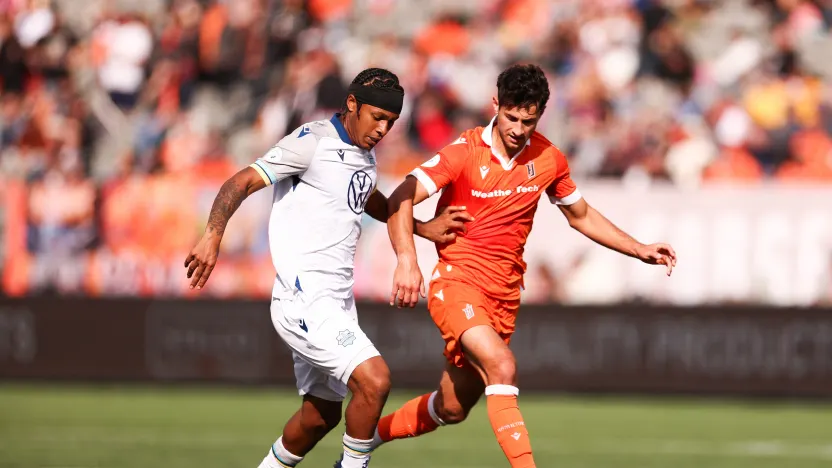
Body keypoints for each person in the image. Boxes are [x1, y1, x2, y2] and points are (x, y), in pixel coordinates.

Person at [375, 64, 678, 467]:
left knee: (451, 408)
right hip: (457, 282)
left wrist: (638, 248)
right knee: (502, 366)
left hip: (503, 296)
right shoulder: (463, 153)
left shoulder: (549, 158)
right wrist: (408, 259)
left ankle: (361, 441)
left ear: (540, 115)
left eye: (528, 121)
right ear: (496, 105)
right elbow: (400, 197)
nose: (518, 129)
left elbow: (581, 215)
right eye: (512, 117)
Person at [183, 68, 473, 468]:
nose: (383, 129)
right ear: (352, 104)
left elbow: (364, 197)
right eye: (377, 117)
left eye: (390, 122)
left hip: (335, 301)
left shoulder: (363, 154)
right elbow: (243, 181)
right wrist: (213, 235)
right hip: (303, 298)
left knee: (321, 416)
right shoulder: (313, 142)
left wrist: (421, 228)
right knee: (375, 381)